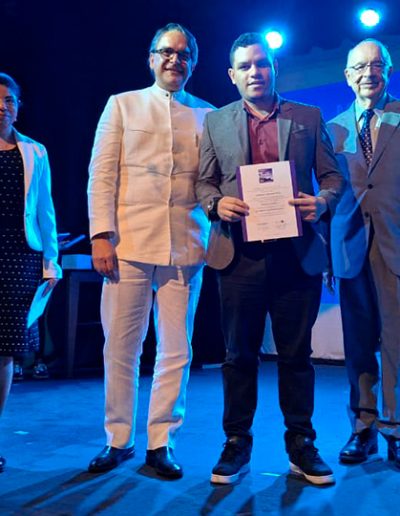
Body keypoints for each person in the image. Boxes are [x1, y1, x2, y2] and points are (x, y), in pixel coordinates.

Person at [196, 32, 344, 486]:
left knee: (296, 356)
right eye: (244, 66)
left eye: (261, 63)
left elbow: (332, 177)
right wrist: (215, 204)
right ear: (232, 75)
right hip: (238, 255)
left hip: (295, 255)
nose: (254, 72)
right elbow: (204, 183)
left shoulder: (307, 117)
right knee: (238, 355)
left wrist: (322, 202)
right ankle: (236, 443)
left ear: (274, 67)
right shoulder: (215, 121)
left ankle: (301, 444)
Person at [87, 23, 214, 478]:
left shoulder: (208, 114)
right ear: (151, 58)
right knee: (121, 347)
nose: (174, 60)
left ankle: (162, 441)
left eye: (183, 54)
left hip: (187, 244)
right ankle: (118, 438)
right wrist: (101, 234)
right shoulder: (122, 104)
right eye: (166, 51)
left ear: (193, 63)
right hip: (128, 243)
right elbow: (102, 174)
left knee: (176, 349)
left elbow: (214, 180)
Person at [327, 39, 400, 468]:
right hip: (350, 250)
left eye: (376, 65)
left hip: (396, 247)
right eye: (359, 66)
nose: (368, 73)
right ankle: (363, 427)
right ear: (347, 75)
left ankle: (395, 427)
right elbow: (327, 196)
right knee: (357, 345)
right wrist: (326, 257)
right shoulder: (332, 129)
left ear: (388, 70)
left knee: (396, 343)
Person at [0, 72, 61, 472]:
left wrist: (51, 262)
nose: (3, 107)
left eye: (9, 100)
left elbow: (45, 211)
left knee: (4, 349)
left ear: (18, 107)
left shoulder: (35, 152)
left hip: (19, 257)